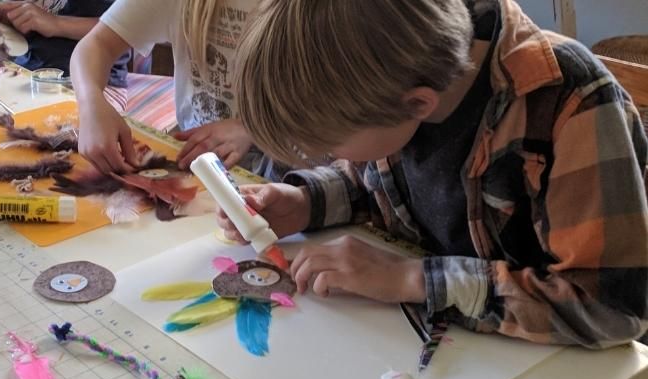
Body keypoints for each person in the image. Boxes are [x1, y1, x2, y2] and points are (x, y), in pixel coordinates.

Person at [220, 0, 648, 347]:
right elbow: (374, 180)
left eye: (330, 145)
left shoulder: (571, 105)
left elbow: (611, 309)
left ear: (419, 105)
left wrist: (410, 279)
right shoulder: (404, 75)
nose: (328, 155)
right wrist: (305, 203)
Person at [71, 0, 281, 177]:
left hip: (286, 167)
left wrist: (251, 128)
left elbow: (312, 107)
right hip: (195, 156)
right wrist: (91, 103)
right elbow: (97, 44)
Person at [0, 1, 130, 110]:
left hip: (94, 86)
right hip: (27, 74)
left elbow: (128, 28)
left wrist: (57, 24)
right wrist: (8, 15)